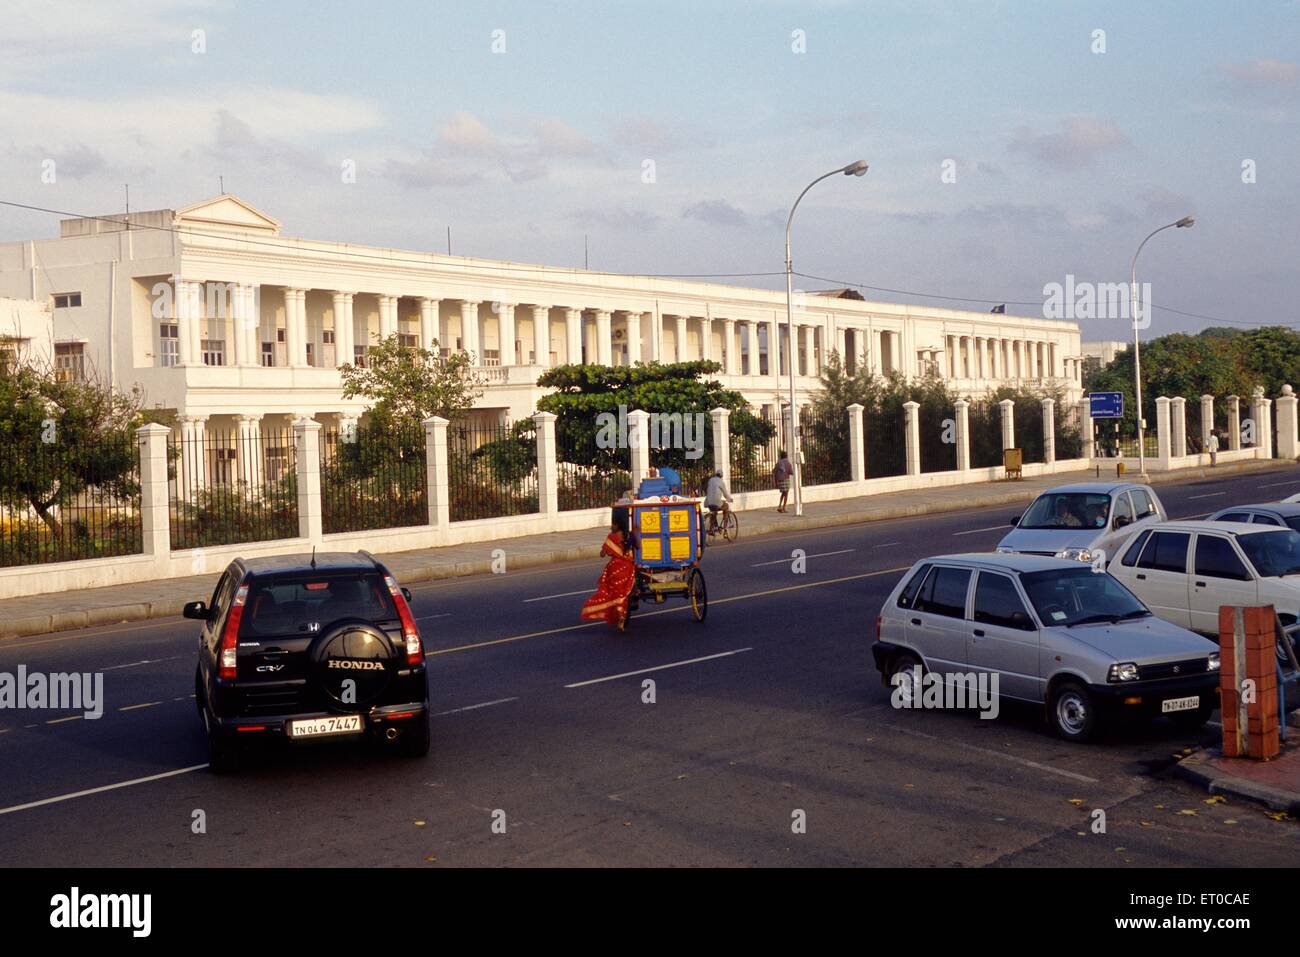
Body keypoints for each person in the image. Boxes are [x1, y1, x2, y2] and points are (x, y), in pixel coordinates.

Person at [580, 519, 637, 631]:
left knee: (613, 592)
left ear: (617, 525)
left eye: (613, 525)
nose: (611, 527)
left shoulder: (612, 537)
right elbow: (637, 548)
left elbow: (602, 554)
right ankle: (621, 615)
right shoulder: (630, 536)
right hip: (627, 567)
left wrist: (605, 549)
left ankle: (620, 615)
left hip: (615, 568)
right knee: (623, 593)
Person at [704, 467, 733, 533]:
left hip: (708, 502)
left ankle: (713, 528)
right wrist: (730, 499)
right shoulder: (721, 482)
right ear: (721, 476)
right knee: (726, 506)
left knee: (714, 512)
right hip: (716, 502)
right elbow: (725, 495)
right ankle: (725, 528)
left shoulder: (710, 480)